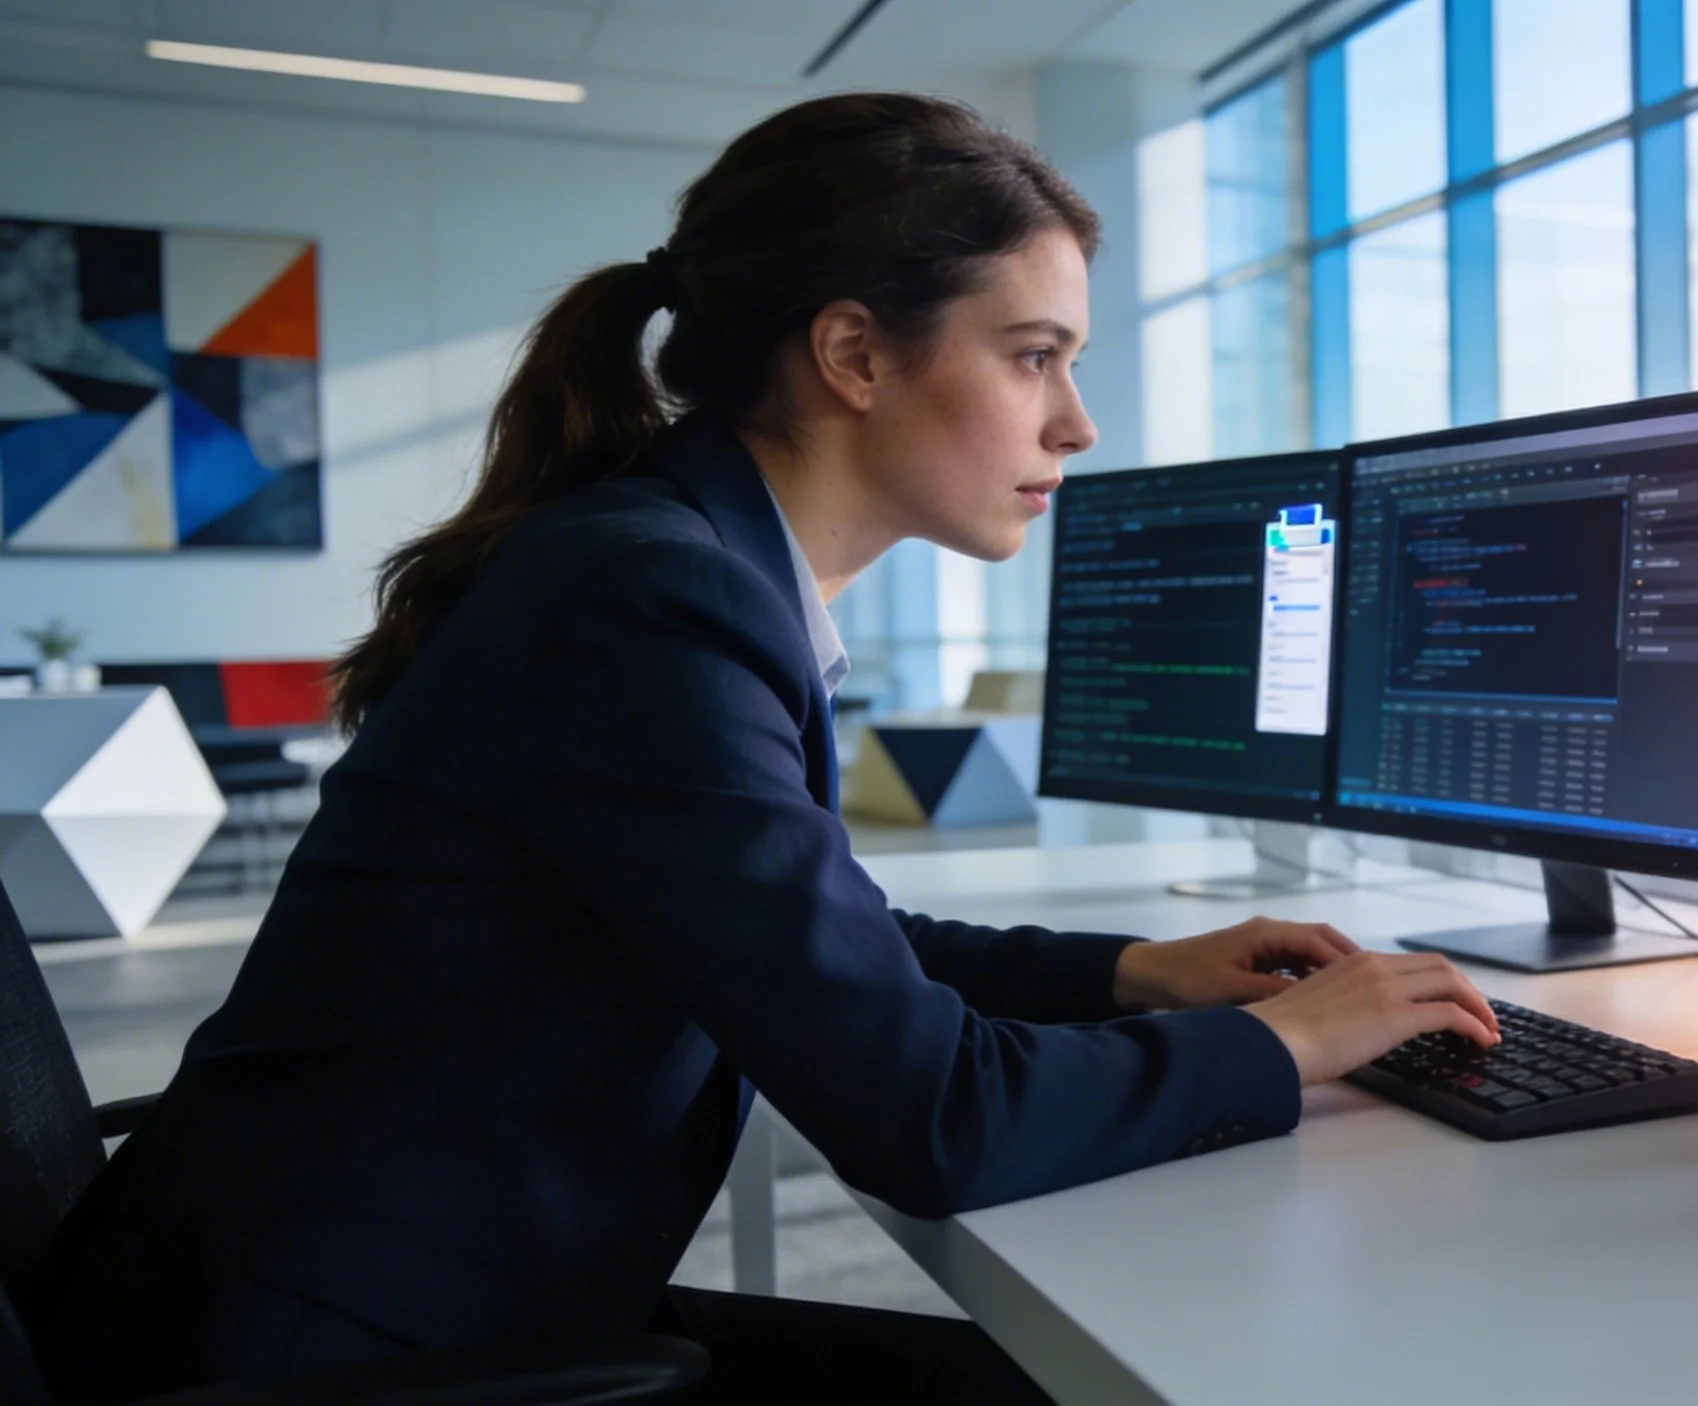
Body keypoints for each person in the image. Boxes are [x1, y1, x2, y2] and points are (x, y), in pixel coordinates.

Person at [32, 93, 1500, 1405]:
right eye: (1035, 355)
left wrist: (1133, 971)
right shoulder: (650, 598)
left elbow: (827, 937)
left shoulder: (665, 560)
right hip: (351, 1352)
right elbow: (936, 1117)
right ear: (853, 352)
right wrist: (1281, 1043)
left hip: (396, 1286)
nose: (1078, 420)